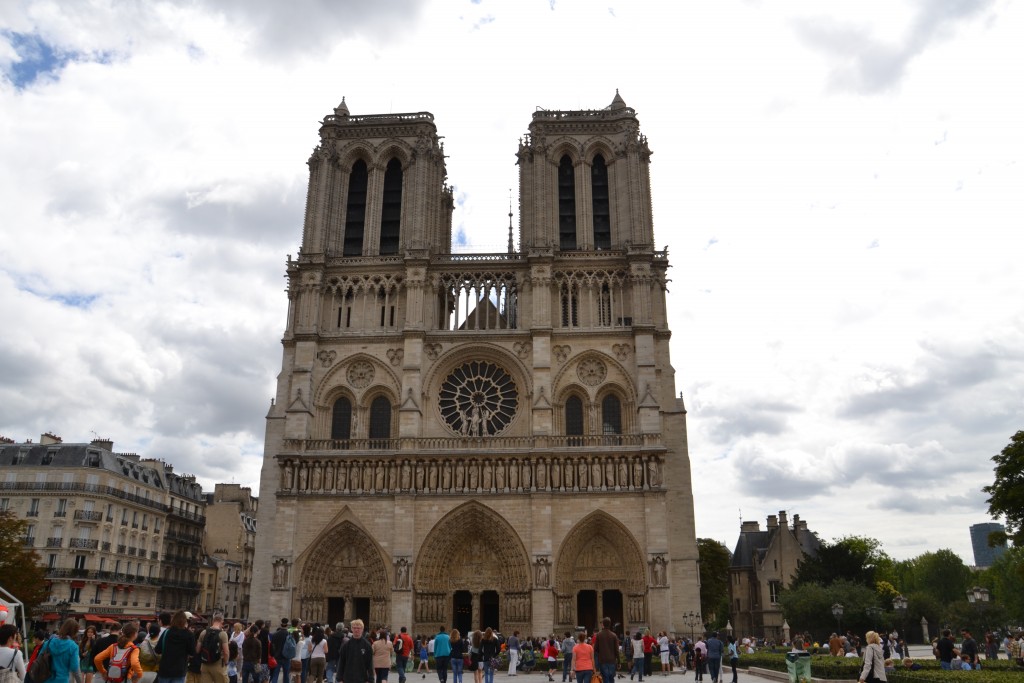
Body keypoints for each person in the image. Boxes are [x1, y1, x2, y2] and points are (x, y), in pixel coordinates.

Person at [156, 610, 196, 683]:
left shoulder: (167, 632)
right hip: (180, 670)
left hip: (165, 669)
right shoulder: (189, 635)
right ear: (185, 621)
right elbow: (192, 652)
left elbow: (157, 650)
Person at [47, 619, 84, 683]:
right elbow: (75, 667)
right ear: (74, 631)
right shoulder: (73, 646)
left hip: (46, 678)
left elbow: (40, 657)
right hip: (62, 679)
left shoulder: (49, 642)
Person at [196, 613, 230, 683]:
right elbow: (226, 652)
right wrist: (226, 662)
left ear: (213, 621)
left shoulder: (203, 632)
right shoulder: (223, 634)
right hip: (218, 665)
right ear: (222, 622)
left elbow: (197, 650)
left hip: (205, 665)